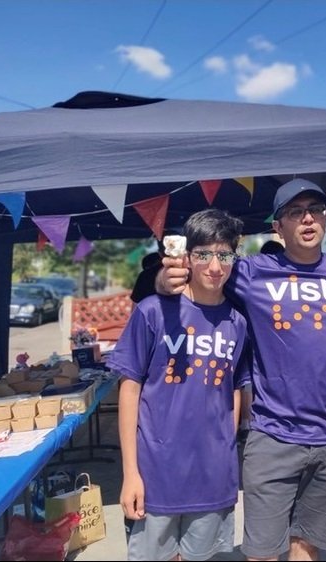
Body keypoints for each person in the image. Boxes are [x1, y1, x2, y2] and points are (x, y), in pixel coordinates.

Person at [153, 178, 326, 561]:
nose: (307, 219)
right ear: (277, 227)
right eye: (294, 212)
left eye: (315, 210)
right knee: (263, 552)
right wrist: (163, 281)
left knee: (306, 546)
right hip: (274, 434)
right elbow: (201, 271)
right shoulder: (250, 271)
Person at [107, 208, 251, 561]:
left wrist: (224, 448)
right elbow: (129, 390)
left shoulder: (237, 322)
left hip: (212, 476)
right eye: (203, 254)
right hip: (156, 473)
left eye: (224, 255)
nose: (215, 266)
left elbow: (234, 388)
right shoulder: (153, 312)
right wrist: (130, 474)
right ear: (186, 257)